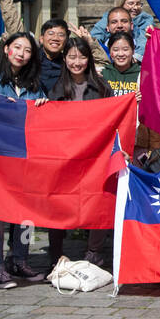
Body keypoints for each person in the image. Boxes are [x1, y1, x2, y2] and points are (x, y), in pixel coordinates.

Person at [0, 31, 48, 287]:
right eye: (17, 47)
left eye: (28, 50)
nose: (21, 53)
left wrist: (44, 105)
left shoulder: (35, 85)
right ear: (7, 48)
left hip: (27, 157)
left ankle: (20, 259)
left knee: (26, 213)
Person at [45, 37, 115, 267]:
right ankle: (56, 254)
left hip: (95, 156)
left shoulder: (102, 87)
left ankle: (94, 251)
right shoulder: (55, 89)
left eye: (82, 57)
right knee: (59, 204)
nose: (77, 62)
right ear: (64, 59)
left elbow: (114, 117)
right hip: (65, 156)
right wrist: (40, 107)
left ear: (89, 59)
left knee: (98, 200)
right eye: (72, 57)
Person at [37, 17, 111, 93]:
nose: (55, 38)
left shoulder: (71, 62)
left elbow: (103, 67)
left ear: (66, 40)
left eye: (61, 35)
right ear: (41, 38)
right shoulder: (31, 60)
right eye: (51, 33)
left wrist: (90, 43)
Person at [101, 31, 141, 99]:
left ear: (133, 51)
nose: (120, 54)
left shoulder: (142, 75)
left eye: (125, 49)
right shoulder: (102, 74)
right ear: (110, 52)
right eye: (115, 50)